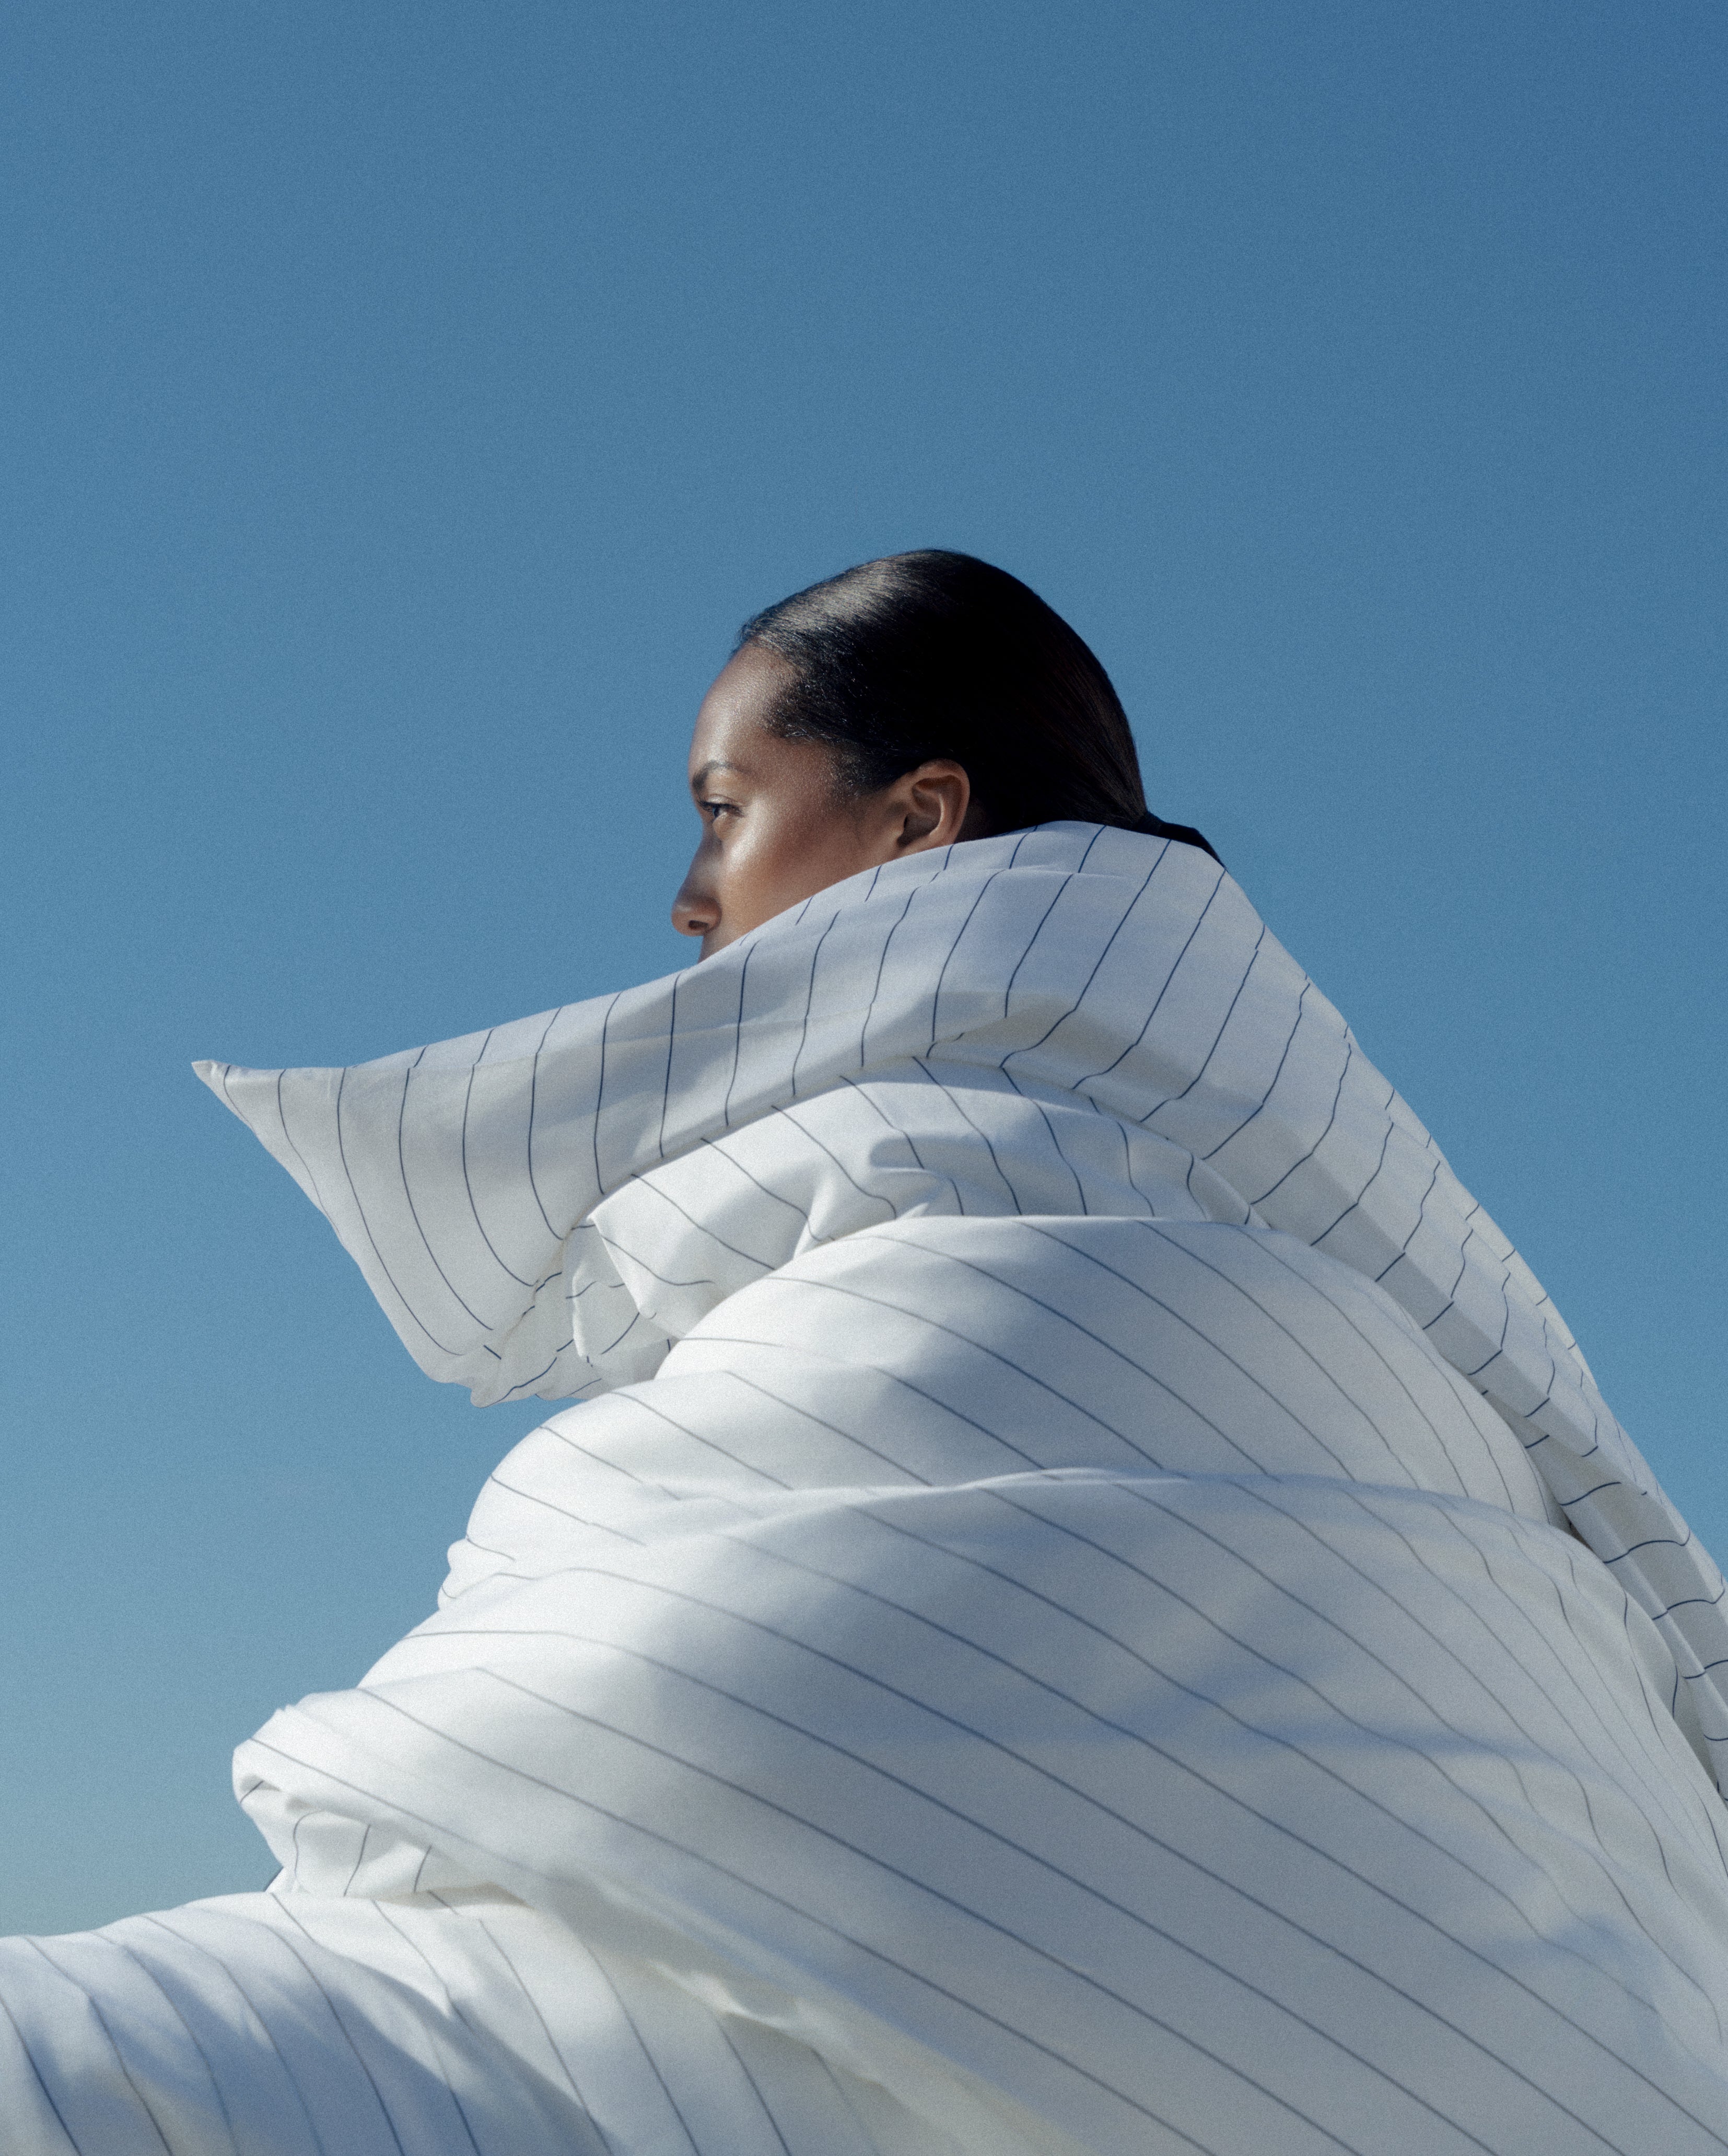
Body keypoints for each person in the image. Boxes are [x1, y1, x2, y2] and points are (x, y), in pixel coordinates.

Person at [4, 552, 1726, 2155]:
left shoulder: (1049, 1268)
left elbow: (696, 1713)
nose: (688, 897)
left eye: (725, 812)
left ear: (919, 822)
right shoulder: (1348, 1311)